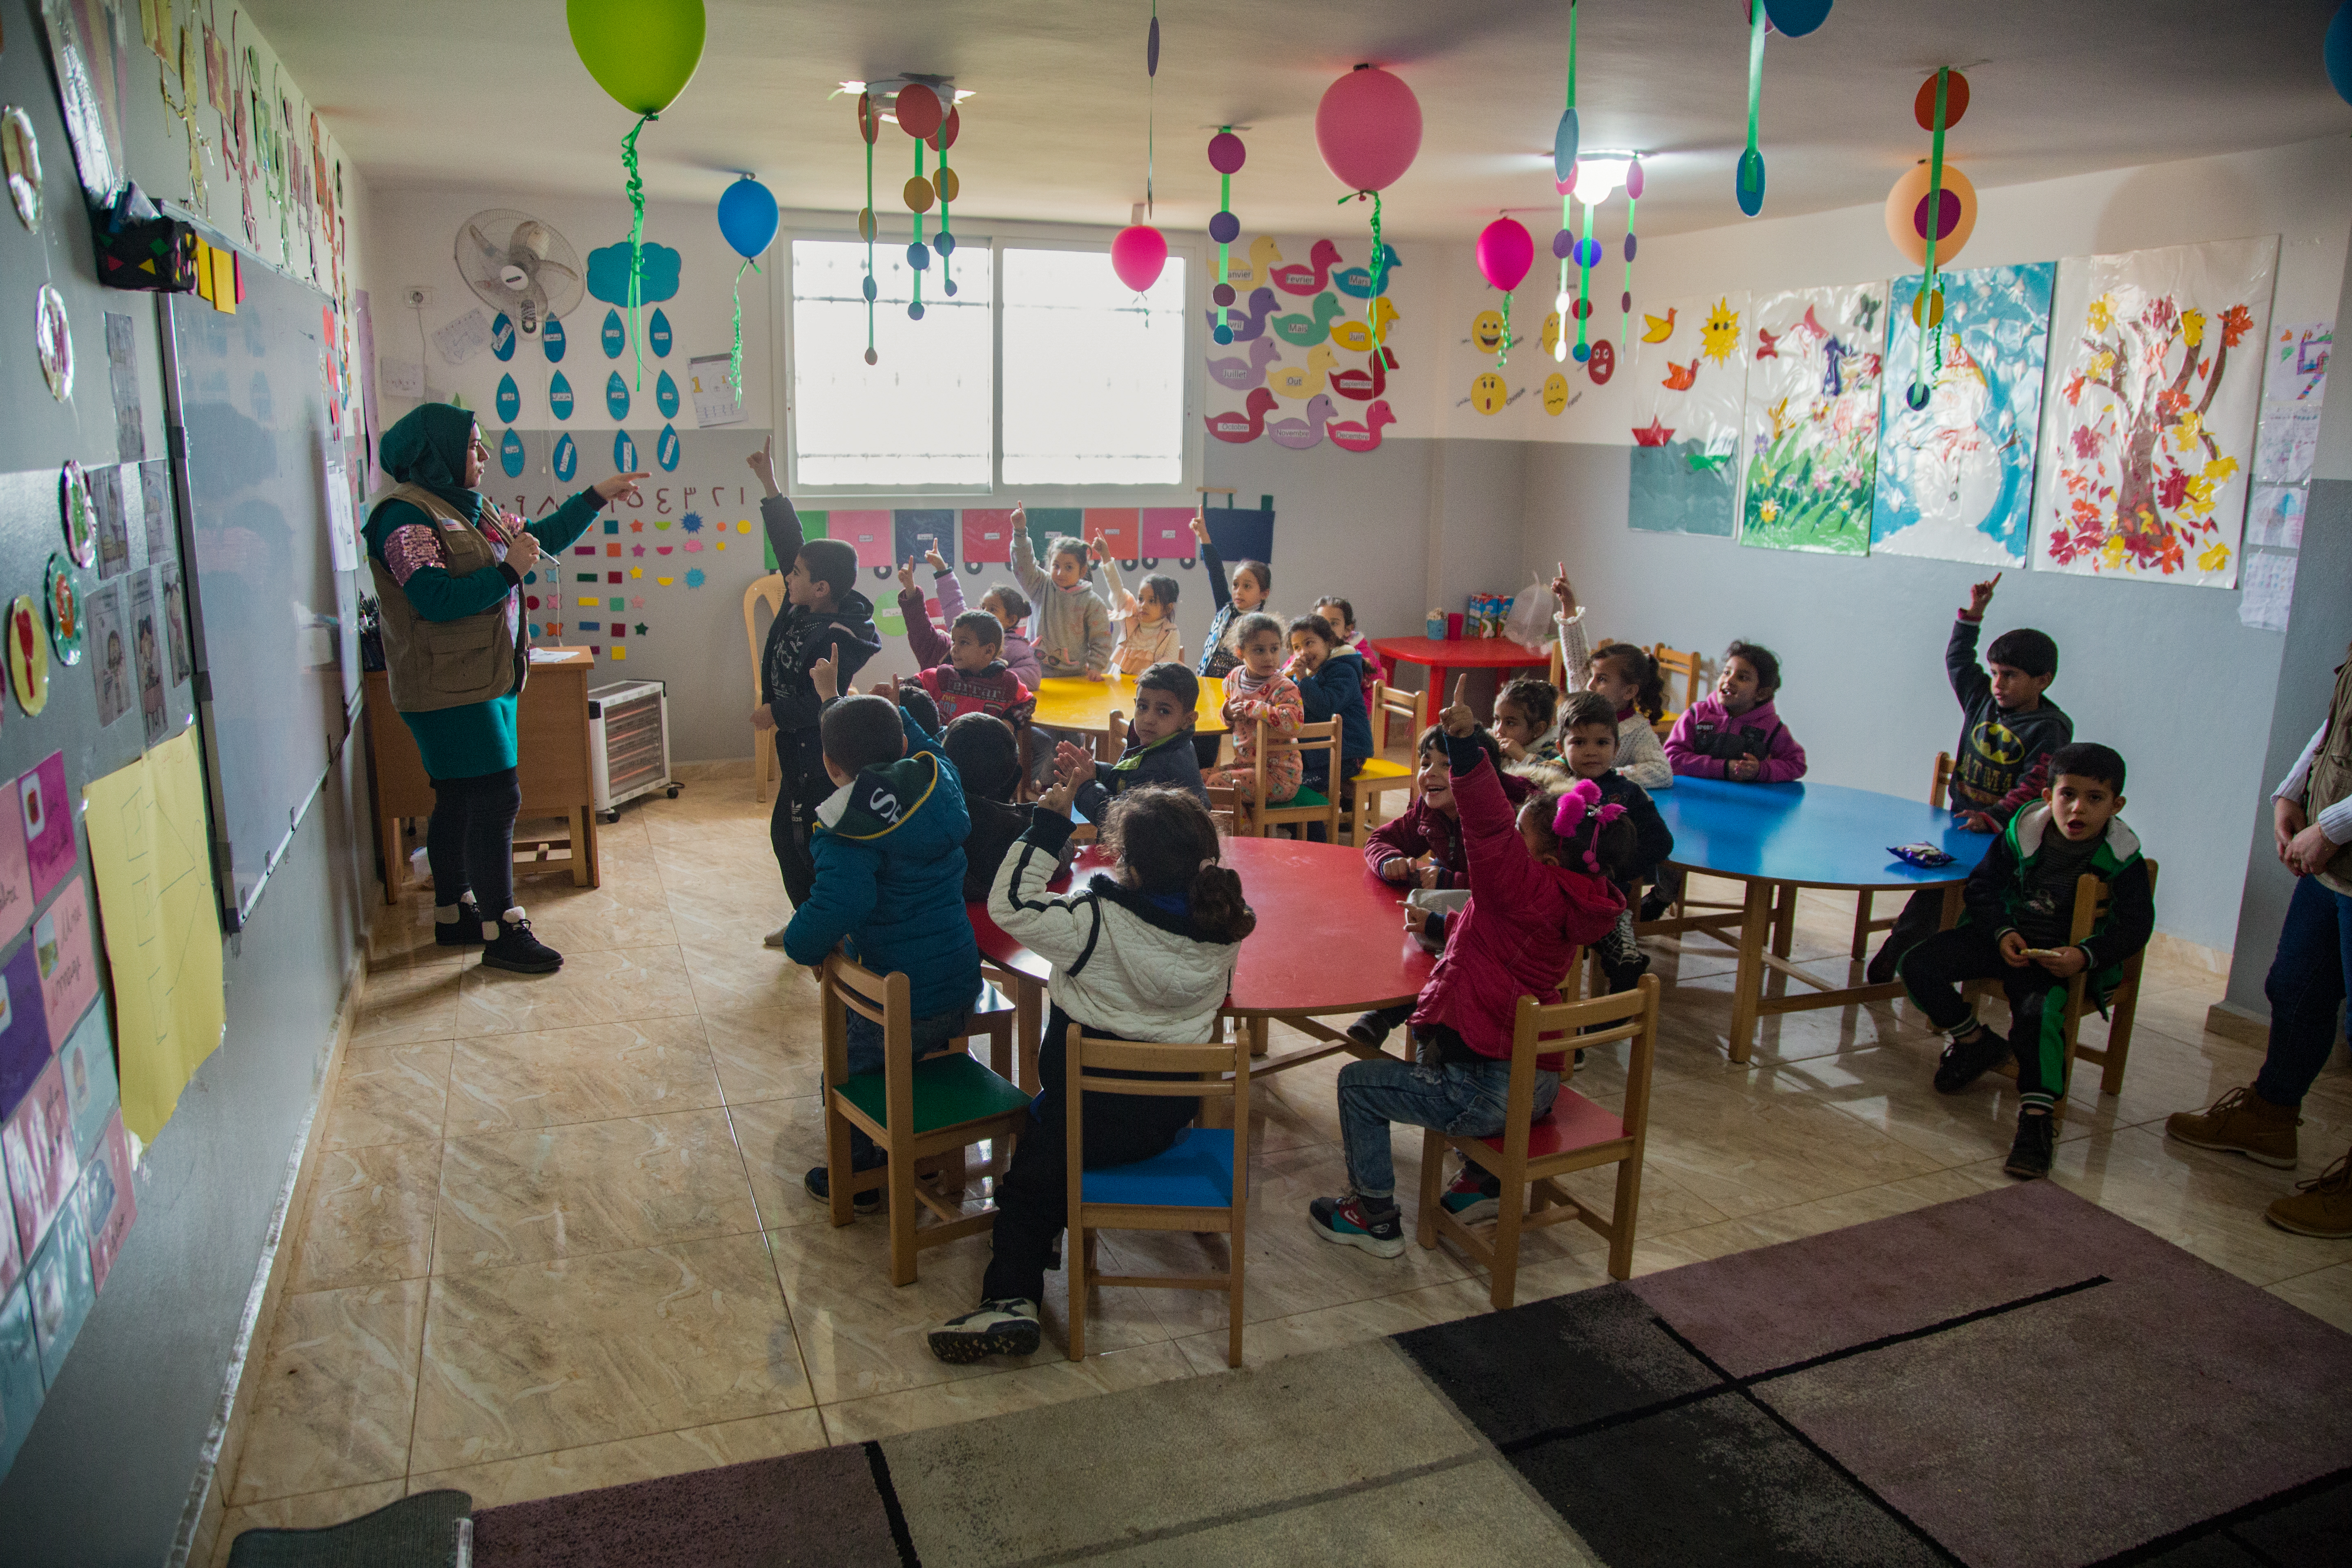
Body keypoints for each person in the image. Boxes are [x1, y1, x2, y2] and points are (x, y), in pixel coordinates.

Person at [929, 783, 1252, 1361]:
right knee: (1057, 1150)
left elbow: (1010, 905)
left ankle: (1010, 1300)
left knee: (1029, 1184)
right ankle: (1047, 1234)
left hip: (1079, 1116)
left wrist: (1047, 829)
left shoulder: (1094, 922)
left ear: (1127, 863)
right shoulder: (1223, 930)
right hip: (1167, 1119)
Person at [1310, 677, 1634, 1254]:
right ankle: (1479, 1181)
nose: (1510, 838)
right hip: (1537, 1081)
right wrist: (1440, 926)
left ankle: (1374, 1216)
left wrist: (1466, 746)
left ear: (1546, 855)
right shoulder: (1576, 897)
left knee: (1358, 1084)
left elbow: (1486, 825)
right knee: (1449, 1033)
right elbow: (1500, 937)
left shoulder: (1524, 884)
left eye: (1521, 836)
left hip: (1489, 1088)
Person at [364, 402, 646, 973]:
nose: (484, 455)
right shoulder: (404, 519)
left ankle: (455, 913)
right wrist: (509, 573)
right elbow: (434, 600)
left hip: (483, 679)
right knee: (497, 798)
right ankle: (503, 930)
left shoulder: (471, 509)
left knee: (461, 799)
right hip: (448, 690)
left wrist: (595, 495)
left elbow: (539, 540)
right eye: (472, 446)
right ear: (434, 456)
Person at [1899, 743, 2152, 1180]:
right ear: (2048, 794)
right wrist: (2001, 932)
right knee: (1918, 963)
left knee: (2038, 1015)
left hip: (2056, 960)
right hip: (2004, 942)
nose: (2077, 809)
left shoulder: (2122, 855)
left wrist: (2084, 956)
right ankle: (1976, 1043)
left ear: (2116, 805)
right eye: (2067, 795)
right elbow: (1982, 887)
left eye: (2094, 799)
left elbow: (2135, 927)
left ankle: (2036, 1121)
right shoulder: (2024, 830)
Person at [2166, 646, 2352, 1235]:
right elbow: (2337, 719)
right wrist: (2291, 790)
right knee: (2295, 987)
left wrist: (2333, 826)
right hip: (2337, 868)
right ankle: (2270, 1115)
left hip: (2340, 841)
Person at [782, 658, 981, 1207]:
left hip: (896, 1001)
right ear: (901, 739)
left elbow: (842, 901)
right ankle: (925, 1144)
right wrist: (892, 709)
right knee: (918, 1063)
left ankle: (865, 1173)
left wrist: (801, 944)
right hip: (960, 986)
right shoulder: (938, 780)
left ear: (828, 764)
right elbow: (929, 747)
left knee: (849, 1074)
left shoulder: (846, 826)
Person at [1868, 572, 2073, 982]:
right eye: (1996, 672)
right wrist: (1973, 616)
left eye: (2011, 675)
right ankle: (1902, 947)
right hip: (1961, 823)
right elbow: (1958, 659)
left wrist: (1993, 816)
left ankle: (1929, 956)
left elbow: (2036, 785)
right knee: (1934, 889)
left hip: (2007, 835)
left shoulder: (2051, 725)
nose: (1999, 684)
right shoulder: (1982, 698)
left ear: (2043, 680)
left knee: (1975, 896)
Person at [750, 439, 882, 935]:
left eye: (798, 575)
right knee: (791, 836)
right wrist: (771, 487)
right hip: (796, 753)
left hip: (819, 754)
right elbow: (792, 545)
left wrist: (776, 714)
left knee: (800, 838)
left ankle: (820, 921)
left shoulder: (838, 638)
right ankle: (812, 916)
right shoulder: (800, 606)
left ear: (822, 588)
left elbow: (823, 702)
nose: (788, 575)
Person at [1348, 722, 1535, 1050]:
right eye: (1425, 764)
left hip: (1516, 925)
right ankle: (1405, 1016)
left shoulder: (1511, 814)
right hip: (1465, 915)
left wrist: (1451, 880)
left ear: (1480, 776)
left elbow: (1517, 882)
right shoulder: (1431, 808)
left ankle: (1402, 1019)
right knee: (1404, 931)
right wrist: (1389, 860)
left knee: (1450, 950)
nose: (1430, 774)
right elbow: (1381, 838)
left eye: (1447, 765)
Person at [1559, 690, 1674, 992]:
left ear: (1617, 747)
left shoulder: (1629, 792)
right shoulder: (1552, 786)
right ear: (1561, 747)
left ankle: (1617, 1001)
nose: (1591, 752)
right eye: (1579, 743)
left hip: (1605, 897)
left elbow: (1660, 841)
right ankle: (1551, 1018)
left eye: (1602, 743)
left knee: (1623, 956)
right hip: (1555, 895)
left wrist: (1615, 870)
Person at [1548, 567, 1671, 790]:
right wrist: (1568, 606)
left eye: (1602, 679)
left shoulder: (1637, 731)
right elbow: (1575, 655)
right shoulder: (1585, 699)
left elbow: (1662, 772)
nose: (1590, 685)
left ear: (1629, 692)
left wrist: (1607, 774)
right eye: (1593, 677)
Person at [941, 713, 1072, 901]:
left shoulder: (927, 803)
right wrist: (1054, 827)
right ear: (1007, 775)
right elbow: (1056, 860)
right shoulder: (1013, 831)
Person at [1058, 662, 1209, 823]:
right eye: (1143, 707)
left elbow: (1120, 822)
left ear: (1188, 720)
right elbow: (1130, 781)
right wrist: (1096, 771)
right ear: (1135, 704)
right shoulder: (1161, 743)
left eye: (1164, 711)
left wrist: (1086, 787)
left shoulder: (1166, 764)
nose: (1149, 719)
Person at [892, 559, 1035, 727]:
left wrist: (1008, 723)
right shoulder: (943, 676)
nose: (954, 649)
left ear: (989, 651)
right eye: (954, 641)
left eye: (964, 643)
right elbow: (909, 687)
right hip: (946, 749)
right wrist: (897, 693)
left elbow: (1027, 703)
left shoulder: (1007, 682)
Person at [1189, 511, 1273, 770]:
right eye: (1236, 585)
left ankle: (1208, 776)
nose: (1238, 591)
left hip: (1232, 690)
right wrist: (1204, 537)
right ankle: (1199, 772)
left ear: (1264, 593)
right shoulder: (1225, 607)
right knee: (1197, 733)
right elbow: (1216, 572)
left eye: (1248, 586)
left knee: (1214, 733)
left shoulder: (1260, 623)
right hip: (1206, 683)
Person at [898, 547, 1041, 688]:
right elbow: (954, 604)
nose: (985, 612)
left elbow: (1032, 676)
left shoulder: (1016, 647)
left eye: (992, 610)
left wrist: (989, 675)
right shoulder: (956, 638)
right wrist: (941, 571)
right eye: (983, 607)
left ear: (1011, 620)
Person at [1206, 614, 1303, 808]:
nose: (1269, 657)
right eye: (1259, 650)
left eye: (1274, 649)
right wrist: (1227, 712)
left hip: (1279, 775)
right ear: (1240, 652)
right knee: (1197, 779)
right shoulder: (1234, 678)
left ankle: (1244, 836)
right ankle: (1232, 831)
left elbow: (1295, 723)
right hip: (1246, 767)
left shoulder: (1284, 687)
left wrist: (1255, 708)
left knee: (1217, 785)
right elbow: (1226, 709)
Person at [1010, 506, 1112, 681]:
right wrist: (1020, 533)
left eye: (1069, 567)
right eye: (1056, 566)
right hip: (1036, 671)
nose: (1060, 573)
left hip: (1074, 675)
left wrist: (1096, 666)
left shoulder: (1091, 602)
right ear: (1048, 565)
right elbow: (1024, 565)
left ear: (1082, 572)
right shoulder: (1040, 586)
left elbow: (1101, 637)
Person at [1286, 612, 1375, 802]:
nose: (1303, 652)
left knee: (1290, 785)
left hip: (1347, 757)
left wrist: (1302, 678)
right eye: (1297, 647)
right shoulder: (1311, 673)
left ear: (1328, 642)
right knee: (1280, 775)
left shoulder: (1344, 670)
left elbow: (1325, 707)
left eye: (1309, 643)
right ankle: (1300, 824)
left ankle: (1310, 826)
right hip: (1321, 754)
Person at [1094, 545, 1185, 677]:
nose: (1143, 605)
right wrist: (1106, 557)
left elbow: (1168, 664)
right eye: (1141, 599)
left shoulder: (1171, 633)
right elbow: (1117, 590)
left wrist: (1148, 676)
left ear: (1168, 608)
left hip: (1148, 689)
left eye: (1152, 601)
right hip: (1119, 683)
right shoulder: (1132, 615)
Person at [1315, 595, 1384, 697]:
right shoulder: (1307, 649)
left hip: (1350, 711)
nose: (1326, 629)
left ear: (1348, 629)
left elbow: (1375, 695)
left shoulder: (1361, 655)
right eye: (1320, 623)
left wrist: (1351, 713)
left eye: (1334, 623)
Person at [1492, 676, 1562, 764]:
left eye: (1510, 723)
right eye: (1497, 720)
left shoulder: (1554, 752)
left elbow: (1555, 775)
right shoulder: (1491, 744)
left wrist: (1524, 757)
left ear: (1538, 729)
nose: (1499, 730)